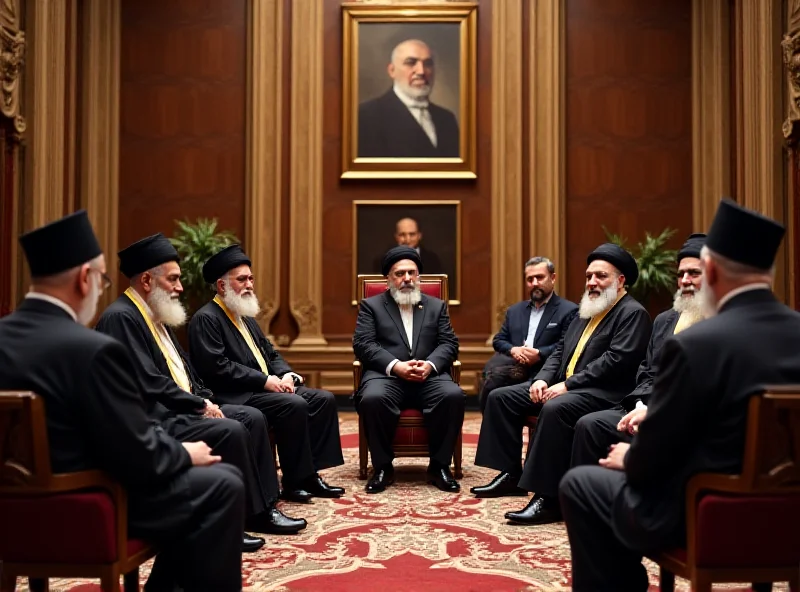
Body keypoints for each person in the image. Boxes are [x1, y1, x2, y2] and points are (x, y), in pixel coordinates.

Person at [559, 199, 800, 592]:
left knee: (581, 484)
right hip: (792, 513)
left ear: (712, 272)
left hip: (702, 510)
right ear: (768, 274)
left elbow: (656, 454)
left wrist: (631, 457)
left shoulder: (695, 345)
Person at [0, 211, 244, 591]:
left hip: (9, 510)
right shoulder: (93, 349)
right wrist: (185, 453)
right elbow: (134, 452)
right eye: (102, 279)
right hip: (85, 503)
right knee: (222, 483)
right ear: (84, 279)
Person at [95, 233, 305, 539]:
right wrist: (199, 405)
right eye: (173, 279)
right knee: (232, 429)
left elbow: (184, 369)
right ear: (146, 281)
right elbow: (147, 380)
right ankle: (241, 517)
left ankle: (263, 508)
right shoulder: (121, 318)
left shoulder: (154, 313)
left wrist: (205, 397)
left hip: (181, 408)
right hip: (157, 418)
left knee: (252, 417)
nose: (181, 288)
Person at [476, 243, 651, 516]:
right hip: (566, 385)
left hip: (603, 393)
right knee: (502, 397)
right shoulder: (587, 309)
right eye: (589, 276)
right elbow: (559, 352)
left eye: (601, 276)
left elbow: (616, 361)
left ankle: (548, 497)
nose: (592, 282)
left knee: (555, 408)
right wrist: (543, 379)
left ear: (620, 281)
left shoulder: (632, 313)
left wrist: (567, 385)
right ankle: (510, 474)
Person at [188, 244, 345, 501]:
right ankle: (294, 482)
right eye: (241, 279)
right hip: (237, 394)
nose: (249, 284)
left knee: (323, 399)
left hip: (263, 388)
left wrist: (286, 375)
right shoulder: (207, 318)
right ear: (221, 286)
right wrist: (265, 381)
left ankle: (310, 474)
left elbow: (270, 353)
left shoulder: (245, 315)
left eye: (251, 278)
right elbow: (217, 367)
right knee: (292, 404)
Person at [570, 233, 707, 466]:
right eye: (681, 274)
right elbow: (647, 370)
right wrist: (641, 405)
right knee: (590, 424)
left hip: (686, 415)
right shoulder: (664, 320)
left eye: (694, 273)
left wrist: (655, 411)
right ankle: (588, 498)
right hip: (646, 404)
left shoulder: (721, 320)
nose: (685, 280)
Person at [353, 245, 465, 494]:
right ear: (388, 279)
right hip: (387, 376)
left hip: (429, 376)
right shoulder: (371, 306)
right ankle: (382, 467)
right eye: (399, 273)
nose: (406, 279)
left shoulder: (436, 306)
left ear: (419, 276)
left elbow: (449, 343)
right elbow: (363, 344)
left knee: (453, 395)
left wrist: (430, 365)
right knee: (372, 398)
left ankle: (439, 466)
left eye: (412, 273)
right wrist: (396, 366)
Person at [477, 256, 578, 414]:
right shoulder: (515, 311)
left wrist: (539, 353)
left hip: (545, 371)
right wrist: (514, 350)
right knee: (491, 379)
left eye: (540, 277)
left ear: (553, 278)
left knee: (495, 387)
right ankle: (497, 432)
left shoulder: (569, 310)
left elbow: (566, 345)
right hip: (514, 369)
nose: (535, 283)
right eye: (530, 279)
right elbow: (499, 340)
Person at [358, 39, 459, 158]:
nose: (421, 71)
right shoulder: (366, 116)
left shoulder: (447, 119)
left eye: (427, 63)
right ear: (392, 71)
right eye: (411, 62)